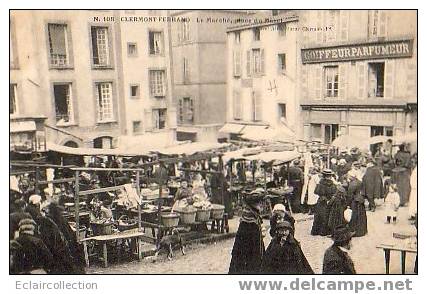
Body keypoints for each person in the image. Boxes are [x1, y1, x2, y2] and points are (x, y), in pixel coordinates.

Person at [229, 193, 265, 274]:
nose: (261, 205)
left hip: (248, 250)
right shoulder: (250, 218)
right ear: (254, 204)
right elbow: (251, 239)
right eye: (259, 203)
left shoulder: (251, 213)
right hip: (248, 252)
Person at [311, 169, 337, 236]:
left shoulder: (320, 183)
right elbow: (334, 192)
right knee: (326, 215)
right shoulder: (332, 184)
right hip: (329, 201)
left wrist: (322, 196)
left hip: (321, 201)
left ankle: (317, 231)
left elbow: (316, 192)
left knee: (319, 215)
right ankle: (324, 231)